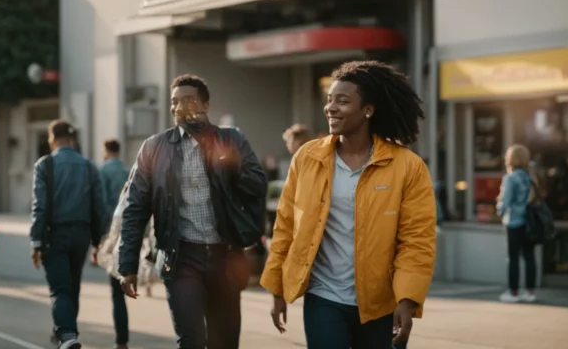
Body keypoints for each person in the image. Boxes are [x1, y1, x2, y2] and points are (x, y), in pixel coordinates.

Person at [261, 60, 437, 349]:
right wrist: (277, 288)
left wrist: (407, 299)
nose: (331, 108)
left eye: (342, 101)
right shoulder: (307, 158)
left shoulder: (407, 166)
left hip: (382, 302)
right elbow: (286, 225)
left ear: (368, 109)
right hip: (324, 298)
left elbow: (417, 240)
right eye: (330, 100)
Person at [118, 74, 268, 349]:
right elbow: (135, 208)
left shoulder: (231, 139)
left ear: (205, 105)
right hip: (181, 257)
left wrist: (230, 165)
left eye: (188, 100)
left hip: (225, 257)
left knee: (225, 342)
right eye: (174, 102)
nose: (179, 107)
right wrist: (127, 265)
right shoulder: (154, 148)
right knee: (191, 340)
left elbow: (258, 186)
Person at [30, 120, 106, 349]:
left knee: (60, 289)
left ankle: (66, 335)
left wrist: (36, 241)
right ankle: (67, 332)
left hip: (55, 234)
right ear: (72, 139)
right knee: (73, 285)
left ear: (52, 139)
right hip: (81, 234)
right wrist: (98, 240)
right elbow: (100, 206)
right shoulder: (89, 166)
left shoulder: (45, 165)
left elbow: (39, 207)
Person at [97, 164, 159, 349]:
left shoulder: (126, 195)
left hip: (120, 253)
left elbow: (115, 231)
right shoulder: (155, 194)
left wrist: (103, 249)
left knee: (117, 297)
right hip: (143, 252)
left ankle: (121, 342)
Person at [99, 139, 131, 349]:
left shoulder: (102, 172)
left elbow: (101, 203)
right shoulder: (128, 171)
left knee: (115, 290)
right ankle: (122, 340)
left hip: (111, 233)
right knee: (124, 284)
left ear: (106, 151)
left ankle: (121, 341)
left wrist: (100, 240)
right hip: (129, 232)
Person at [496, 144, 537, 303]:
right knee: (529, 257)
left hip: (514, 222)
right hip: (529, 222)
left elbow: (505, 201)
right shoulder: (530, 178)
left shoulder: (511, 178)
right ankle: (530, 292)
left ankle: (513, 292)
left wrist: (499, 209)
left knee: (513, 258)